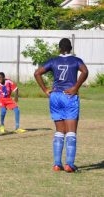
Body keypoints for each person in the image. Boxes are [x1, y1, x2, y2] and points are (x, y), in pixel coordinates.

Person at [34, 38, 88, 173]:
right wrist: (76, 87)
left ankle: (57, 164)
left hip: (55, 96)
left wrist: (45, 90)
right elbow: (85, 71)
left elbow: (37, 73)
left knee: (59, 131)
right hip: (69, 95)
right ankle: (69, 163)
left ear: (59, 48)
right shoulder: (76, 60)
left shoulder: (53, 61)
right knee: (71, 132)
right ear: (71, 48)